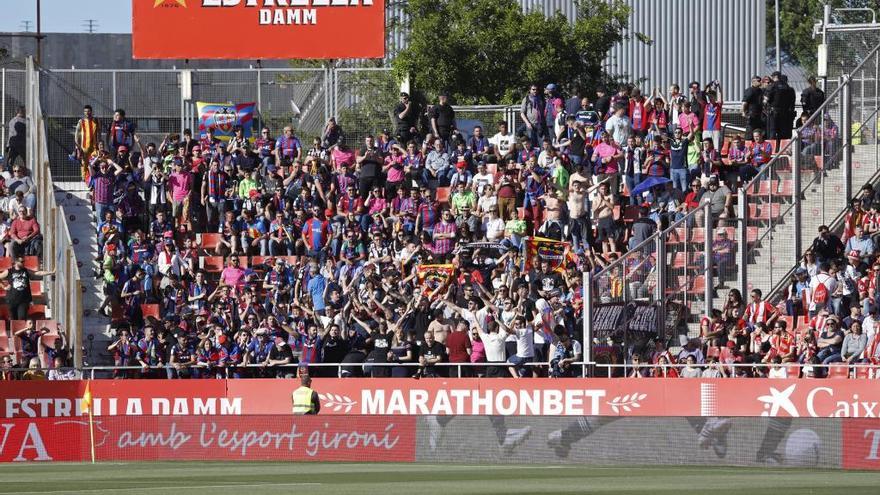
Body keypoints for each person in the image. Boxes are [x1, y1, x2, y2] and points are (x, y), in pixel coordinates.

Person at [5, 106, 26, 171]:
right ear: (23, 112)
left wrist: (8, 146)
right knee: (27, 161)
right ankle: (27, 175)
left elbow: (10, 134)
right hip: (22, 145)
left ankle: (9, 175)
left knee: (10, 162)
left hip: (13, 145)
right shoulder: (26, 121)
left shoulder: (12, 121)